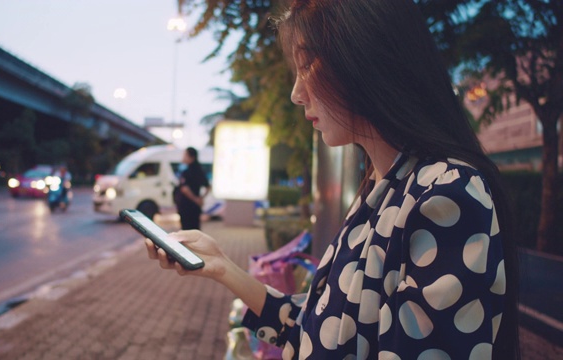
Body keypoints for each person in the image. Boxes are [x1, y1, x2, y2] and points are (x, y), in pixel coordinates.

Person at [145, 0, 519, 358]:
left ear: (366, 56)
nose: (296, 93)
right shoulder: (381, 187)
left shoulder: (446, 192)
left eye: (307, 65)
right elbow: (317, 329)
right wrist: (223, 267)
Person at [176, 147, 211, 230]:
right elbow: (208, 187)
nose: (183, 157)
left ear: (191, 157)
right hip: (196, 207)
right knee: (195, 229)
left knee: (186, 230)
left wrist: (195, 199)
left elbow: (184, 189)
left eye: (185, 155)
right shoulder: (200, 170)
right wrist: (200, 198)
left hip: (186, 205)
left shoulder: (186, 171)